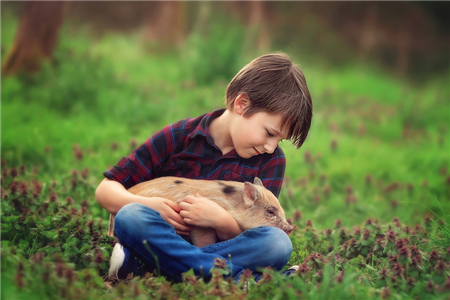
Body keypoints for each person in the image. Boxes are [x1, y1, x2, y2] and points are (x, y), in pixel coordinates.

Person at [95, 52, 313, 283]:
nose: (271, 146)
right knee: (130, 216)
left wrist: (221, 221)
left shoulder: (271, 161)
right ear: (242, 104)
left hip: (217, 248)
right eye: (269, 133)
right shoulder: (179, 136)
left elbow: (259, 231)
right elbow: (105, 190)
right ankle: (245, 282)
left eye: (279, 140)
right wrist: (151, 205)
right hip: (163, 238)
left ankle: (148, 267)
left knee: (276, 243)